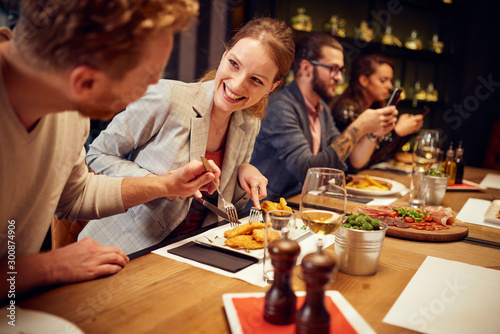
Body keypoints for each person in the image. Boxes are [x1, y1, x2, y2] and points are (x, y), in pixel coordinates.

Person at [0, 0, 210, 297]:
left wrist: (165, 185)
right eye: (147, 77)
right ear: (85, 83)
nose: (155, 87)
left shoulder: (68, 105)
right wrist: (48, 266)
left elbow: (75, 195)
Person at [78, 17, 295, 255]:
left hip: (196, 250)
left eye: (256, 80)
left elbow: (231, 206)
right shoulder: (167, 97)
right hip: (124, 247)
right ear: (224, 56)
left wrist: (244, 169)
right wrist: (160, 184)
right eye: (234, 64)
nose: (237, 84)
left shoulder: (249, 121)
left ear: (271, 88)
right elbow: (97, 154)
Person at [250, 33, 397, 201]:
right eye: (333, 69)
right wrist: (359, 126)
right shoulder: (281, 107)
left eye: (341, 70)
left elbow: (351, 161)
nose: (339, 78)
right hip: (271, 209)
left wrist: (373, 134)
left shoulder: (321, 109)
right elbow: (307, 171)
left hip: (304, 203)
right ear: (306, 68)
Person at [331, 53, 423, 170]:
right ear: (364, 80)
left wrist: (407, 133)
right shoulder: (345, 110)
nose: (389, 86)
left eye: (390, 80)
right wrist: (397, 132)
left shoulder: (376, 107)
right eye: (383, 80)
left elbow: (386, 155)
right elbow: (356, 164)